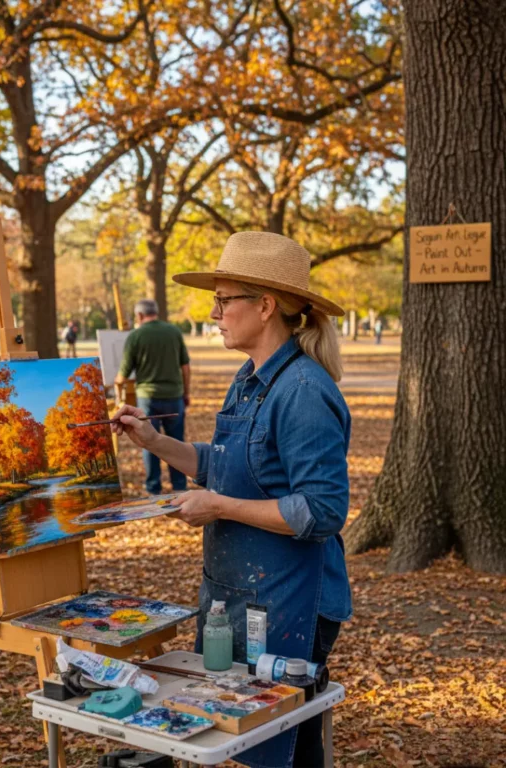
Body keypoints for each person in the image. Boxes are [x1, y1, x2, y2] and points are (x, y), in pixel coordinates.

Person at [112, 232, 351, 768]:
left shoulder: (303, 391)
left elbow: (321, 510)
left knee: (287, 737)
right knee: (249, 735)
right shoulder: (249, 379)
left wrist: (218, 506)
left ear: (265, 306)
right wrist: (154, 442)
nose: (214, 312)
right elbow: (226, 462)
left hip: (295, 600)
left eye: (224, 301)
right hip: (241, 596)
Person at [115, 299, 191, 495]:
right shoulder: (174, 332)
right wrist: (186, 392)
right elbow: (185, 367)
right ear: (155, 312)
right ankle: (180, 487)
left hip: (147, 398)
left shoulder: (136, 336)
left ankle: (153, 489)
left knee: (148, 442)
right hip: (174, 396)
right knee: (177, 442)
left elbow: (123, 375)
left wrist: (115, 388)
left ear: (139, 316)